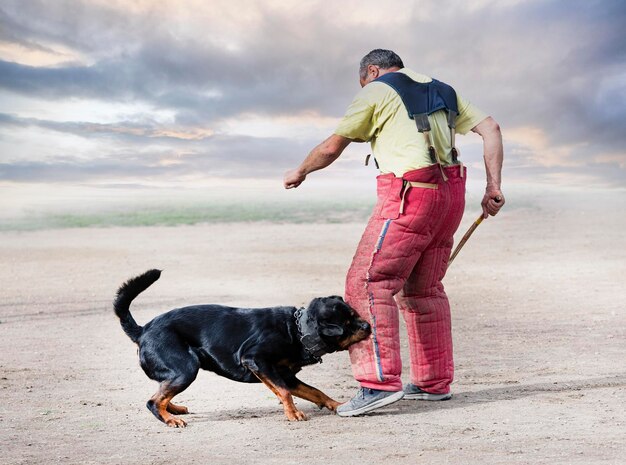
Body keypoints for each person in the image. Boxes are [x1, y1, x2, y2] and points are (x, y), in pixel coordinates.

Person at [283, 49, 504, 417]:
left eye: (363, 80)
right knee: (424, 290)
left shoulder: (376, 89)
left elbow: (332, 146)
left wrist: (301, 171)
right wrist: (493, 186)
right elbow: (491, 129)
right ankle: (433, 384)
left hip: (410, 194)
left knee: (368, 282)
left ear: (371, 71)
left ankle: (377, 384)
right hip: (451, 197)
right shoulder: (444, 89)